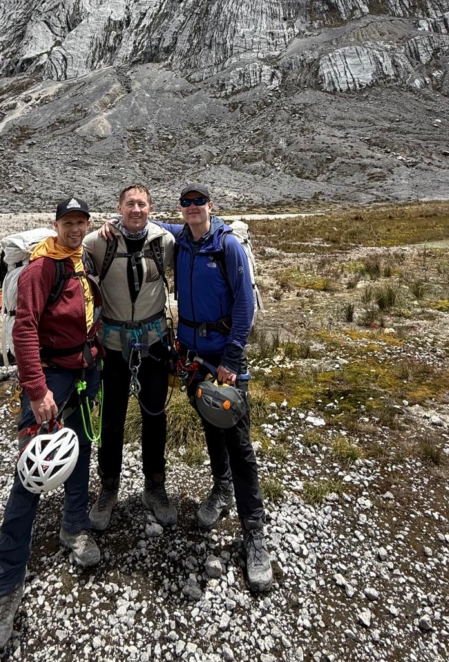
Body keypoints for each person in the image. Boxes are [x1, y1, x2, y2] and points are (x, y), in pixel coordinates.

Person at [0, 197, 103, 654]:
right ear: (56, 226)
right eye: (68, 223)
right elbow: (24, 329)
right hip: (50, 378)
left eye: (81, 223)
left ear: (87, 226)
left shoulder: (82, 259)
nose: (74, 229)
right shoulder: (40, 269)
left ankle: (74, 527)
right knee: (31, 472)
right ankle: (7, 584)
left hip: (86, 371)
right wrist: (36, 389)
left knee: (79, 453)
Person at [161, 183, 273, 594]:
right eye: (186, 203)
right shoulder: (180, 239)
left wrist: (231, 359)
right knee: (210, 424)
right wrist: (116, 223)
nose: (193, 209)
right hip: (192, 356)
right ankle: (221, 488)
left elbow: (244, 304)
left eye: (199, 202)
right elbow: (148, 222)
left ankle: (254, 535)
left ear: (211, 206)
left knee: (239, 444)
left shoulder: (226, 247)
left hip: (224, 359)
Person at [83, 184, 177, 529]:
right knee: (112, 419)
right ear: (119, 208)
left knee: (155, 415)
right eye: (129, 204)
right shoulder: (98, 242)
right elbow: (67, 248)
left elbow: (199, 230)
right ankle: (108, 487)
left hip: (154, 344)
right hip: (114, 346)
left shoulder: (165, 241)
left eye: (142, 204)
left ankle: (155, 486)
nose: (136, 210)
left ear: (151, 208)